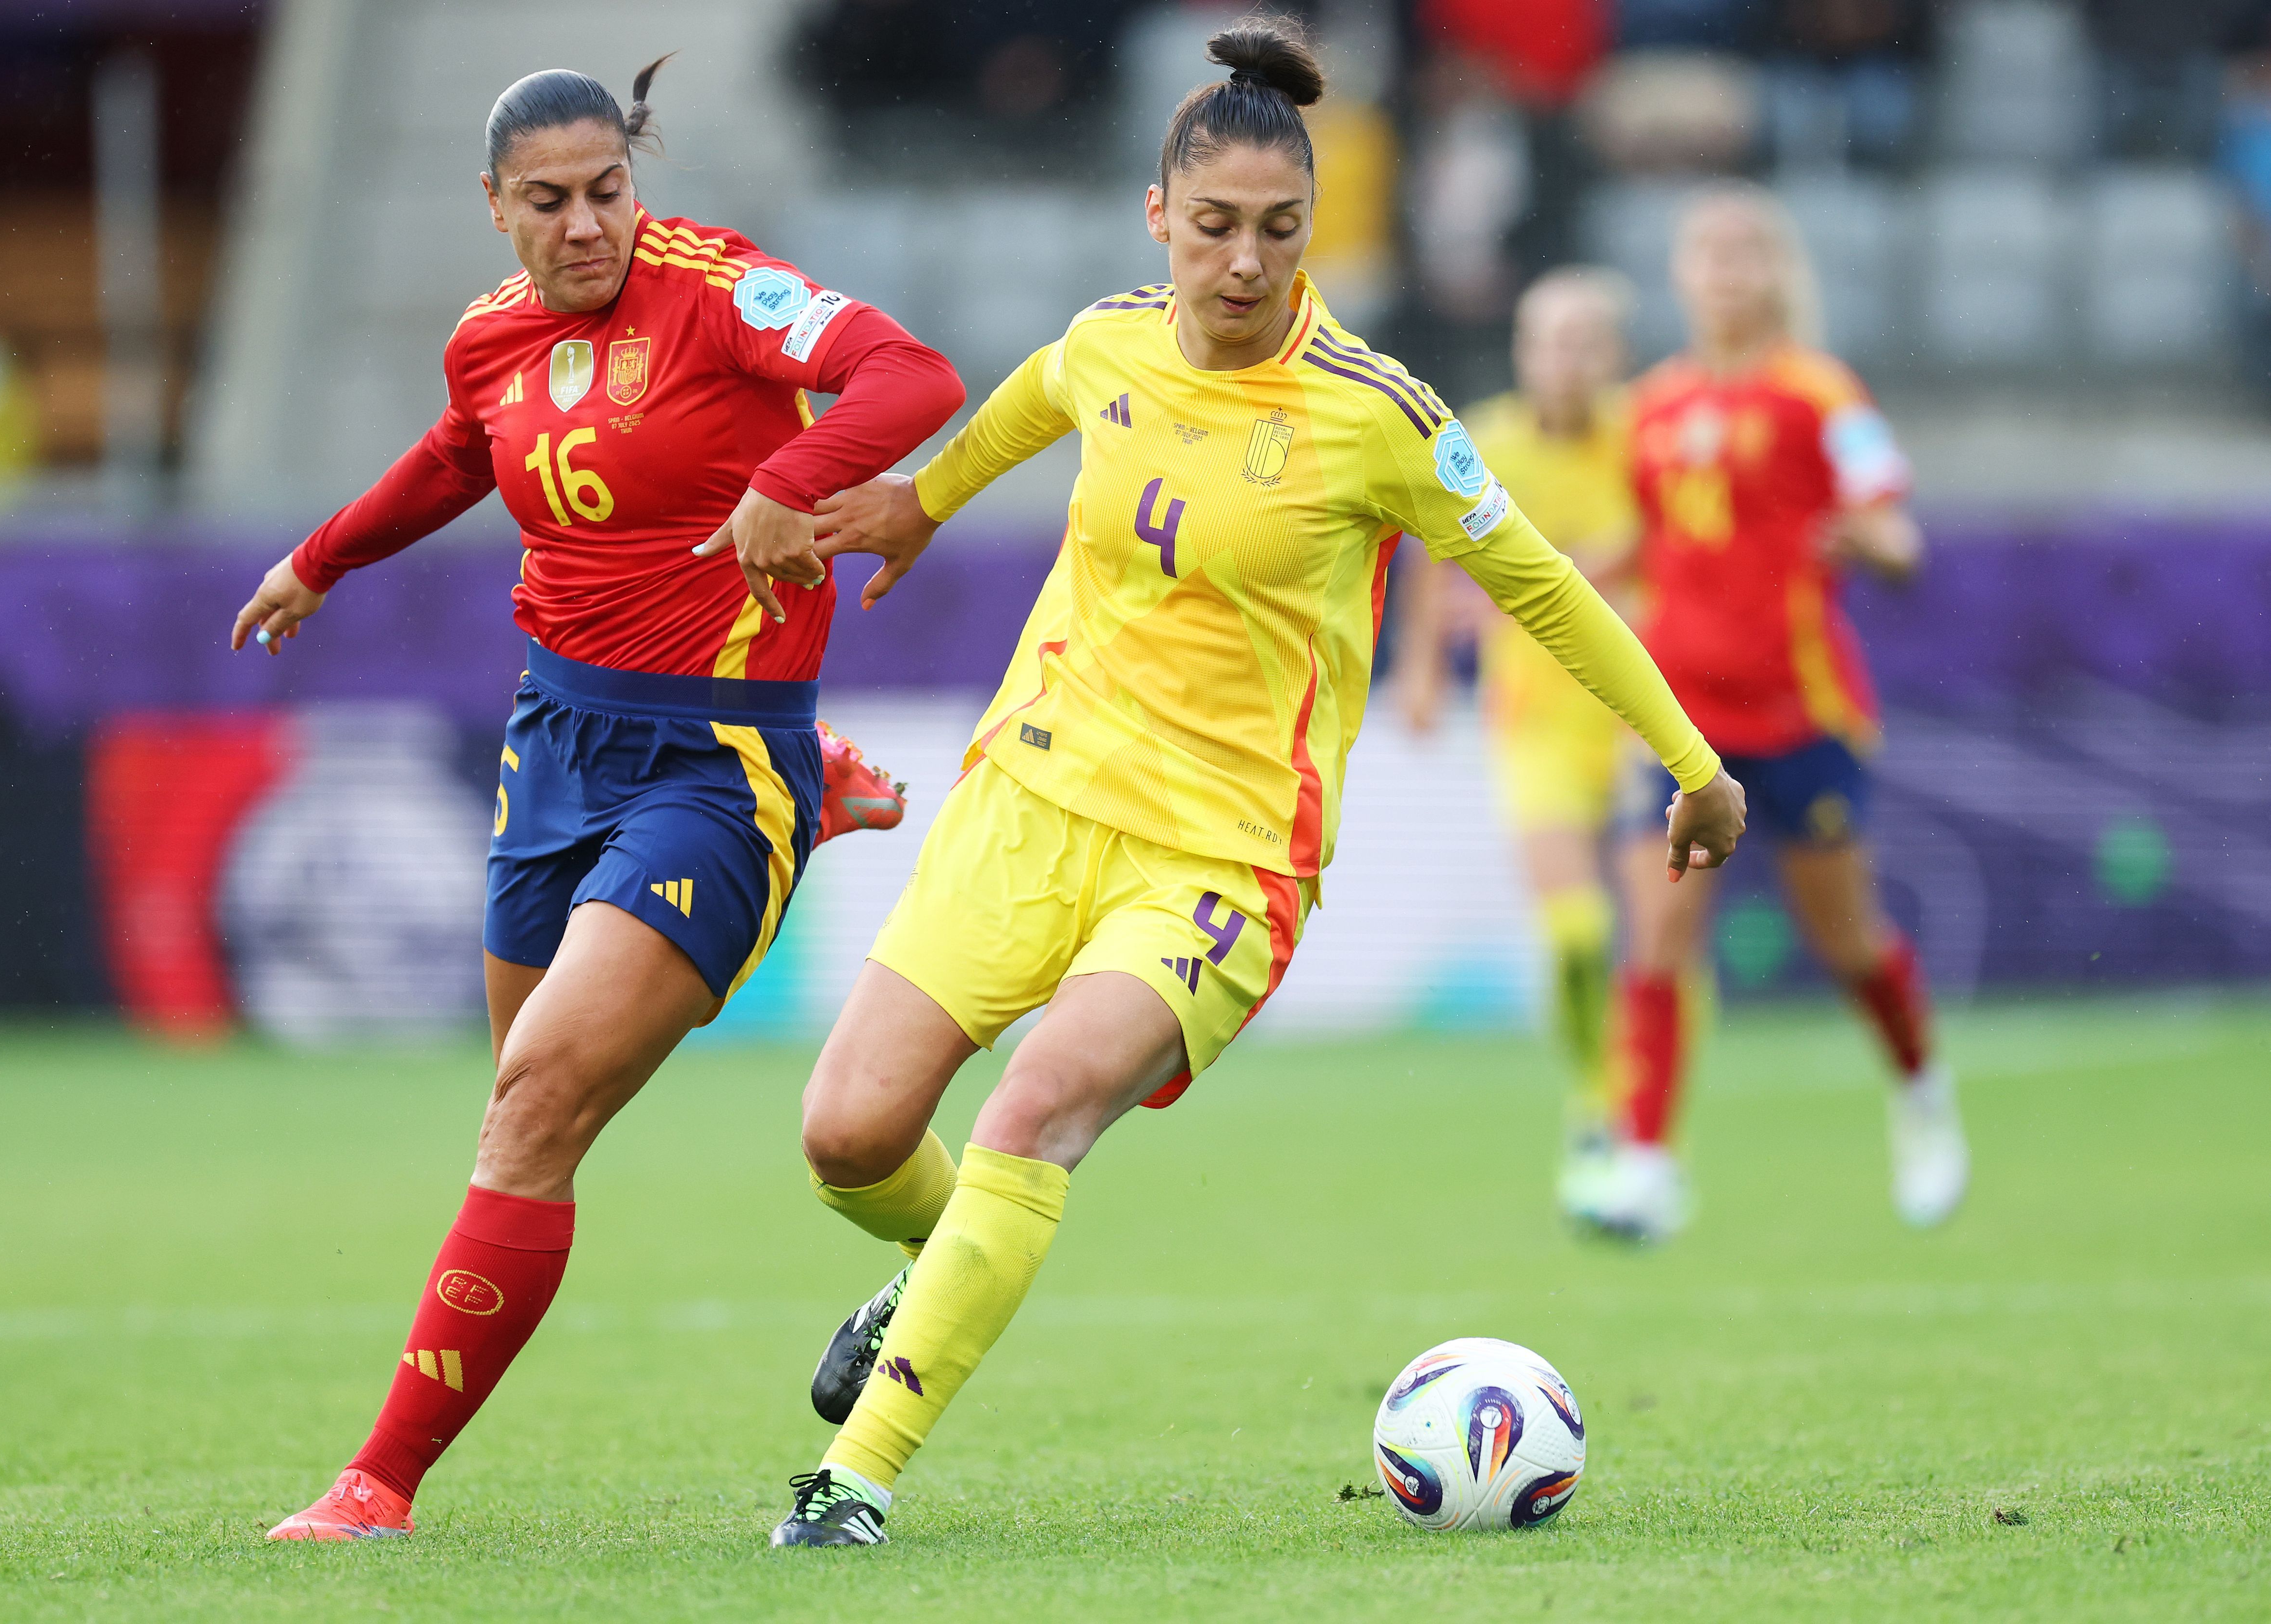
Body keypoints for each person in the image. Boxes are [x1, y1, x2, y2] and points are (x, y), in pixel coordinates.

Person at [763, 17, 1746, 1547]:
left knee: (1034, 1114)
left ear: (1313, 229)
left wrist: (1689, 762)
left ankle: (852, 1481)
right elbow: (1035, 393)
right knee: (846, 1135)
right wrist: (922, 502)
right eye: (1212, 226)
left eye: (1277, 231)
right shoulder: (1109, 338)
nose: (1242, 261)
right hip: (1032, 797)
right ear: (1157, 217)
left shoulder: (1376, 413)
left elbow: (1544, 588)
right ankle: (926, 1269)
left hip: (1221, 858)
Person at [233, 59, 964, 1540]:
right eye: (550, 201)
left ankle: (379, 1486)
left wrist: (797, 474)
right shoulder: (489, 337)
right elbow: (457, 456)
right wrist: (321, 559)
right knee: (521, 1101)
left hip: (712, 760)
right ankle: (822, 826)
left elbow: (914, 377)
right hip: (551, 745)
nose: (587, 227)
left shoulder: (723, 291)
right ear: (494, 207)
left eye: (608, 191)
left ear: (640, 178)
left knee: (534, 1114)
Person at [1579, 184, 1967, 1244]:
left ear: (1777, 271)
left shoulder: (1819, 392)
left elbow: (1896, 528)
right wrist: (1554, 580)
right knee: (1658, 934)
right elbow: (1655, 540)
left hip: (1802, 711)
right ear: (1682, 273)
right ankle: (1648, 1164)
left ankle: (1924, 1098)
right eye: (1708, 252)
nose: (1726, 271)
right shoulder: (1649, 407)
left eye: (1746, 252)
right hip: (1684, 719)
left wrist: (1876, 542)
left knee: (1846, 938)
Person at [1390, 265, 1651, 1215]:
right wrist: (1420, 669)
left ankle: (1653, 1125)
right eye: (1548, 340)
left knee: (1657, 939)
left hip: (1636, 723)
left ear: (1615, 357)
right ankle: (1597, 1101)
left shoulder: (1644, 442)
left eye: (1585, 341)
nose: (1564, 360)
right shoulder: (1486, 442)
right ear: (1522, 352)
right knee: (1579, 931)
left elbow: (1680, 536)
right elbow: (1431, 552)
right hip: (1534, 721)